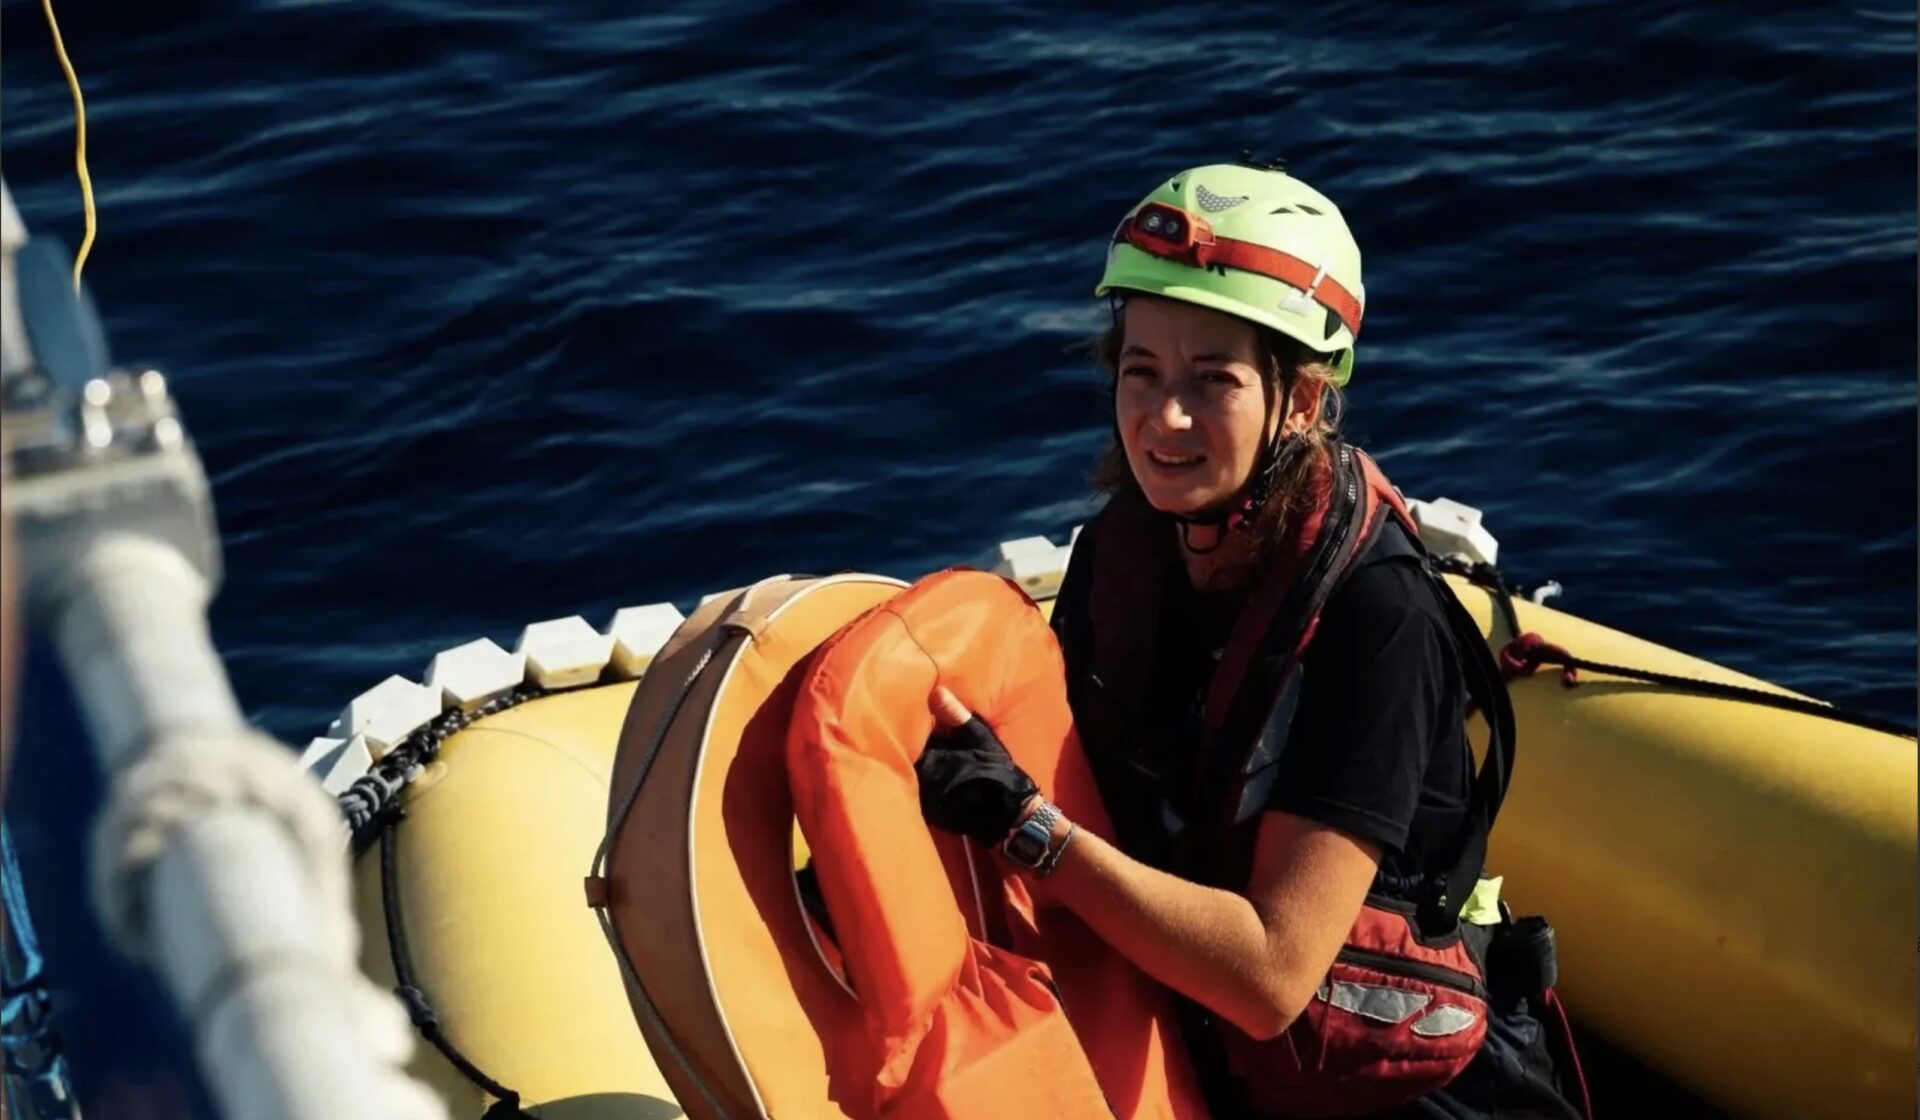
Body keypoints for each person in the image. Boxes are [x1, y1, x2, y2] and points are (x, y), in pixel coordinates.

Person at [914, 159, 1589, 1119]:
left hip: (1410, 1090)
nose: (1165, 416)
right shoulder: (1121, 552)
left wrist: (1027, 829)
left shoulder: (1379, 614)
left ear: (1302, 400)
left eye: (1213, 380)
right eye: (1141, 371)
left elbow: (1275, 976)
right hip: (1203, 1042)